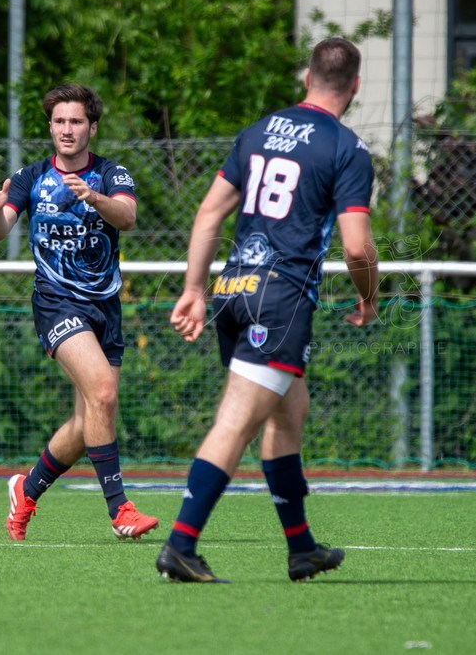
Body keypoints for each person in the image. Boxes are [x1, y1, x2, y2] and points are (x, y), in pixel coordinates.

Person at [156, 37, 380, 583]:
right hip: (278, 301)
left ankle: (301, 549)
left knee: (288, 412)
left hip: (235, 289)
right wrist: (369, 295)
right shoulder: (347, 149)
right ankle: (180, 546)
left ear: (307, 77)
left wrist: (194, 288)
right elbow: (356, 246)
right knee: (235, 423)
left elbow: (208, 214)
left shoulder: (257, 133)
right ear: (354, 86)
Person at [0, 83, 159, 542]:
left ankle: (27, 487)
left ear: (92, 127)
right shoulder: (32, 176)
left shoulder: (112, 174)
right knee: (103, 393)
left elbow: (129, 217)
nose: (67, 130)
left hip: (105, 306)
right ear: (51, 127)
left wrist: (93, 197)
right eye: (59, 121)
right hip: (57, 302)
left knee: (85, 423)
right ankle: (120, 511)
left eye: (76, 121)